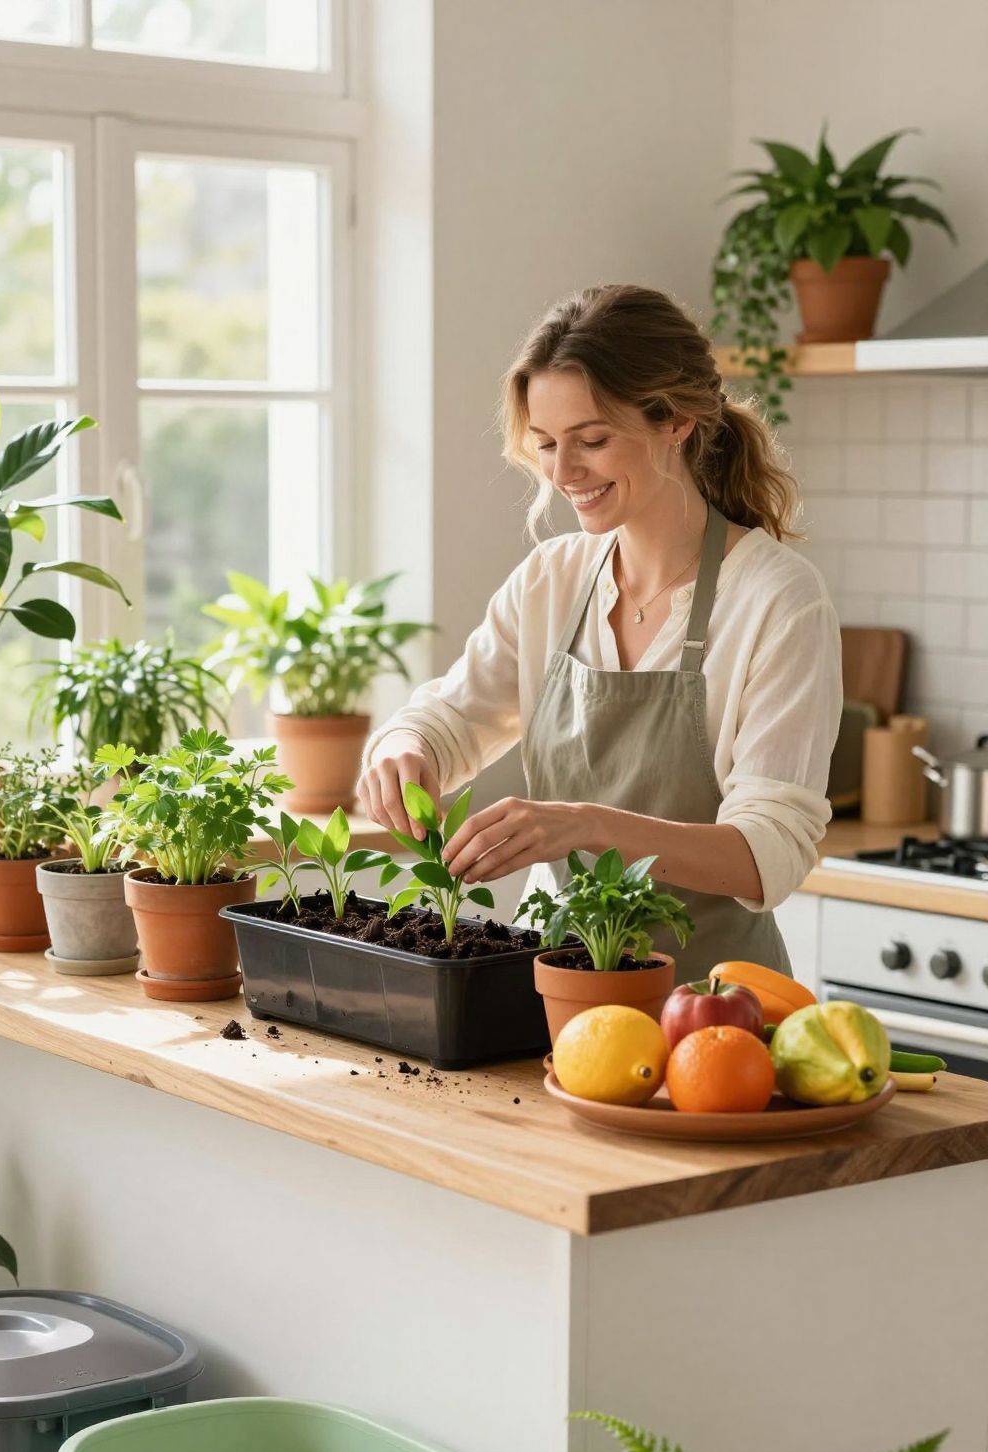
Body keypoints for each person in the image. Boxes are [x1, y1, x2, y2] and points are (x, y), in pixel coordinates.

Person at [356, 284, 842, 977]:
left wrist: (588, 826)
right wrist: (406, 747)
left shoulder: (777, 598)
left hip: (709, 1015)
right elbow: (452, 718)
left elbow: (769, 854)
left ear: (675, 422)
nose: (562, 473)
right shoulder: (552, 579)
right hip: (543, 994)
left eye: (591, 440)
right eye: (547, 444)